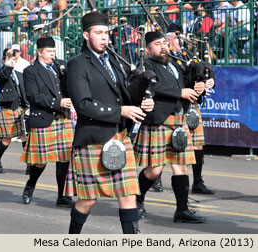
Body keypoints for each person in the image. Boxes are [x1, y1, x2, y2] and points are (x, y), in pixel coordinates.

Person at [64, 12, 154, 234]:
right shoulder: (77, 64)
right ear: (86, 35)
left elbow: (125, 95)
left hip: (120, 137)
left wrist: (143, 101)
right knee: (88, 200)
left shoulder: (114, 61)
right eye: (98, 33)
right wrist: (120, 110)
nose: (104, 38)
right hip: (93, 138)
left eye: (106, 33)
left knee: (128, 194)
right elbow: (83, 104)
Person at [132, 31, 207, 223]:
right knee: (154, 170)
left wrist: (199, 86)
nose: (163, 46)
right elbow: (153, 86)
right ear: (148, 50)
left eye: (165, 43)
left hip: (178, 122)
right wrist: (180, 92)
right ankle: (137, 199)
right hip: (159, 121)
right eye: (158, 44)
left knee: (181, 166)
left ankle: (182, 211)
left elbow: (188, 82)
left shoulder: (175, 65)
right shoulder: (146, 66)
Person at [21, 37, 74, 207]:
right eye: (49, 51)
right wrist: (57, 103)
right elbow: (32, 96)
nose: (53, 54)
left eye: (54, 51)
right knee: (40, 161)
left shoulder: (60, 67)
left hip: (62, 119)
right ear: (39, 52)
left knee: (65, 159)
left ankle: (62, 196)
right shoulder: (31, 71)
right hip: (44, 119)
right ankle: (31, 184)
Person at [166, 23, 215, 195]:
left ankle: (198, 182)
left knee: (198, 145)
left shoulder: (188, 54)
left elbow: (206, 68)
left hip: (192, 103)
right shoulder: (167, 58)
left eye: (181, 38)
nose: (181, 42)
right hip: (176, 106)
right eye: (177, 38)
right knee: (172, 147)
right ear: (168, 40)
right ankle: (155, 178)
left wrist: (210, 81)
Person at [0, 47, 29, 174]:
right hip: (8, 108)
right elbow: (5, 76)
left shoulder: (19, 74)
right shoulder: (0, 72)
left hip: (20, 108)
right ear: (4, 60)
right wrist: (9, 64)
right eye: (9, 59)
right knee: (7, 139)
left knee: (24, 137)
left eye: (14, 59)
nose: (13, 61)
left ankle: (29, 164)